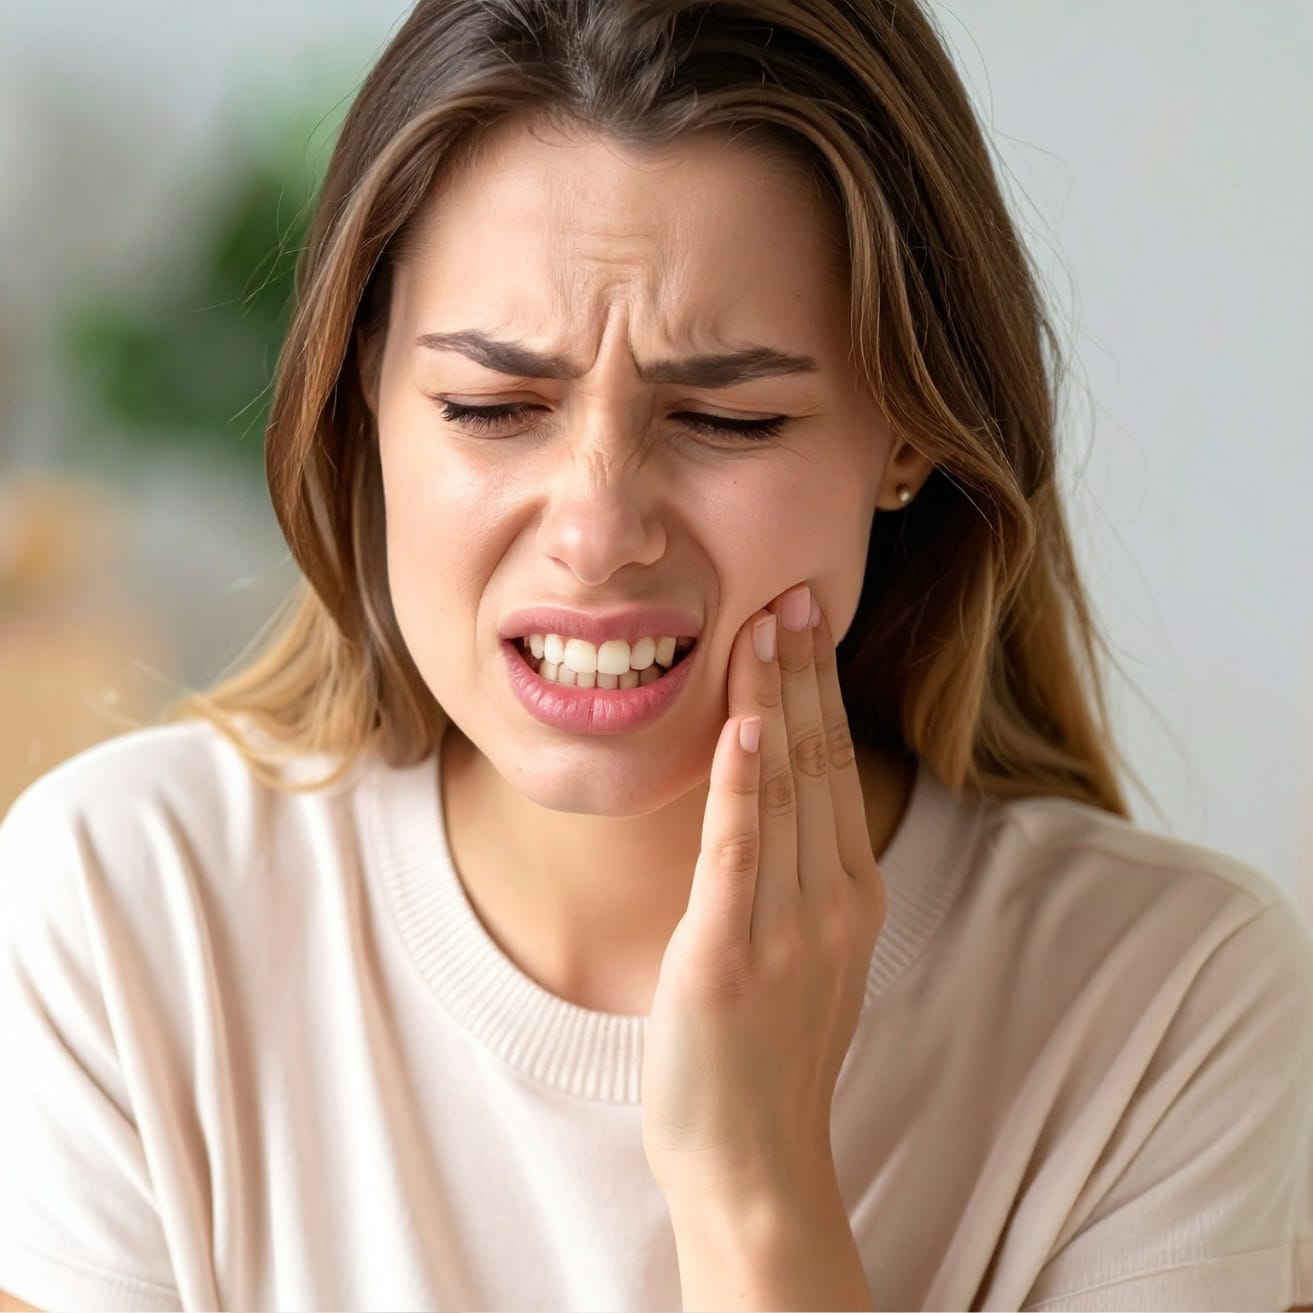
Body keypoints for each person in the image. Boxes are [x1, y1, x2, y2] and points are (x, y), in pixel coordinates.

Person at [2, 1, 1310, 1309]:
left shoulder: (1168, 1005)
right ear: (365, 402)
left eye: (726, 418)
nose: (595, 533)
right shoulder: (124, 909)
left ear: (909, 433)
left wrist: (753, 1186)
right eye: (490, 407)